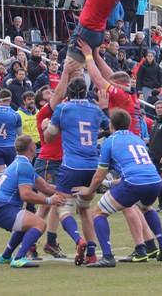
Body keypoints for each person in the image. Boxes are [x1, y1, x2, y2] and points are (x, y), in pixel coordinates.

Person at [73, 108, 162, 267]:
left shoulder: (110, 141)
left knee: (98, 212)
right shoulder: (137, 139)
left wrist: (89, 190)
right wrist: (109, 184)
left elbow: (99, 174)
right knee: (146, 208)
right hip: (154, 181)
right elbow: (136, 169)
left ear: (111, 125)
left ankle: (107, 256)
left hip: (133, 183)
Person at [43, 76, 107, 266]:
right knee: (85, 208)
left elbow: (49, 137)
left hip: (72, 165)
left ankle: (79, 240)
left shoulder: (63, 109)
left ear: (68, 94)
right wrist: (103, 108)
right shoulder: (95, 109)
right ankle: (92, 252)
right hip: (92, 165)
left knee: (63, 206)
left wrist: (46, 126)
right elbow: (110, 127)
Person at [0, 135, 66, 268]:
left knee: (29, 223)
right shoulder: (24, 165)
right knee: (39, 224)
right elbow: (26, 195)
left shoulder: (22, 163)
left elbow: (45, 187)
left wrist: (66, 192)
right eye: (34, 145)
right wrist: (49, 200)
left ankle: (6, 256)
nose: (36, 146)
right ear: (31, 148)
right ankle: (19, 258)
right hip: (2, 208)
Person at [34, 60, 77, 259]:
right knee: (46, 204)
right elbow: (60, 94)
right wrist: (66, 73)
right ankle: (30, 242)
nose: (52, 95)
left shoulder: (60, 113)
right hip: (49, 161)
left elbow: (64, 95)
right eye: (47, 95)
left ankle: (49, 242)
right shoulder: (44, 112)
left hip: (60, 162)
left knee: (55, 203)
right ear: (42, 102)